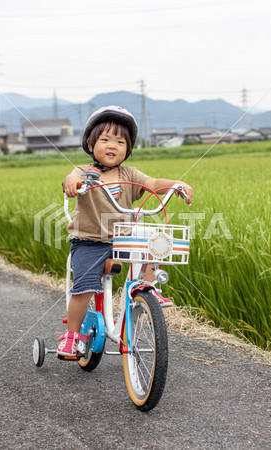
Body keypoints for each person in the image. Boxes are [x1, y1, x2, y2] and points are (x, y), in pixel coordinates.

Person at [57, 105, 193, 357]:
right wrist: (73, 184)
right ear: (90, 143)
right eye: (105, 139)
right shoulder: (85, 172)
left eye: (120, 141)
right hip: (90, 242)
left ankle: (147, 289)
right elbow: (69, 178)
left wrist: (176, 184)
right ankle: (73, 335)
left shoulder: (129, 174)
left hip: (122, 238)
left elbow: (152, 183)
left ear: (128, 149)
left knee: (151, 244)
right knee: (84, 286)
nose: (113, 145)